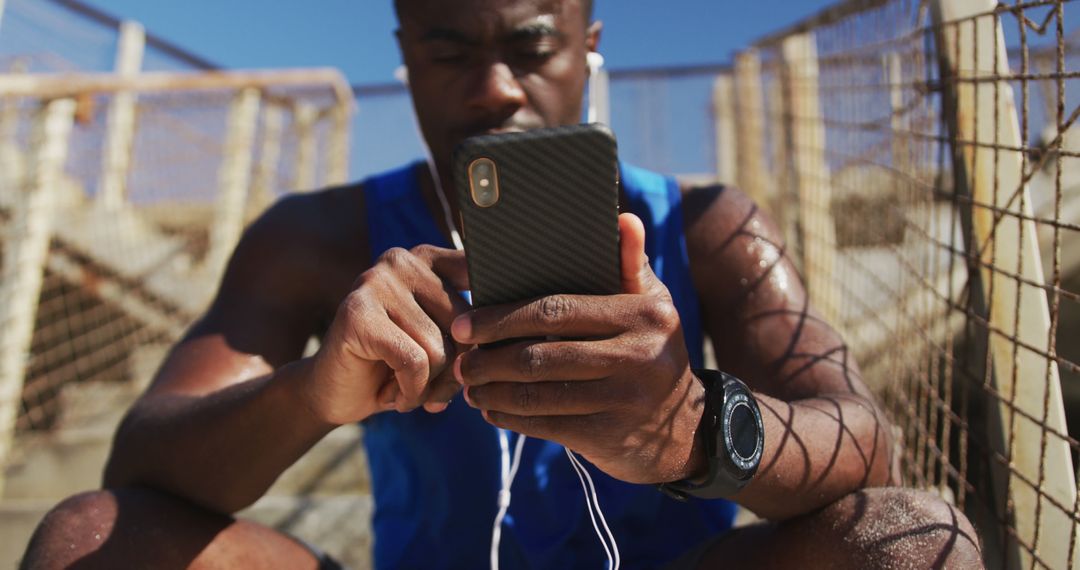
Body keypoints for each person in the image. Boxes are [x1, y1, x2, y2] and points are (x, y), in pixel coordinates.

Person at [21, 0, 983, 568]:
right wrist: (316, 390)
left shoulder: (711, 226)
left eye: (530, 46)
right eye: (448, 51)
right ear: (403, 53)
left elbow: (869, 446)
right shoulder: (314, 238)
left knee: (915, 540)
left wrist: (689, 427)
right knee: (90, 539)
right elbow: (141, 467)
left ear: (588, 42)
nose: (494, 89)